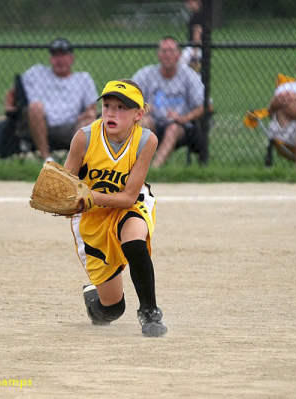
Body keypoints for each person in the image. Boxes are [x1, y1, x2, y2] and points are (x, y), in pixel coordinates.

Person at [63, 79, 167, 337]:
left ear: (138, 114)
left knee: (134, 241)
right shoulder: (84, 138)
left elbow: (129, 197)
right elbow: (65, 187)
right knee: (112, 310)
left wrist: (89, 196)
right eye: (107, 105)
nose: (111, 112)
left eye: (122, 108)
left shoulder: (145, 140)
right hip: (92, 219)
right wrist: (64, 199)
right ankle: (95, 301)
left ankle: (150, 312)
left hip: (127, 205)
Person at [1, 38, 98, 162]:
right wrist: (9, 109)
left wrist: (89, 114)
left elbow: (92, 108)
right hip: (39, 124)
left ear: (72, 58)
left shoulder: (83, 79)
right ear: (50, 59)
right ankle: (47, 158)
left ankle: (76, 163)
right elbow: (12, 92)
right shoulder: (37, 73)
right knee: (35, 107)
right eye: (55, 56)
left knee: (90, 120)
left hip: (71, 127)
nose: (59, 60)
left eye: (63, 55)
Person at [132, 36, 207, 167]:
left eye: (172, 51)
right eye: (164, 51)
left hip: (181, 126)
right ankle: (137, 167)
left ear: (178, 55)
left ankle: (154, 170)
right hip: (155, 122)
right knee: (143, 122)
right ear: (158, 55)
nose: (168, 55)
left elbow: (206, 106)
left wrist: (182, 118)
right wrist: (143, 109)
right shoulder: (147, 73)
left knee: (173, 128)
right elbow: (127, 98)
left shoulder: (188, 75)